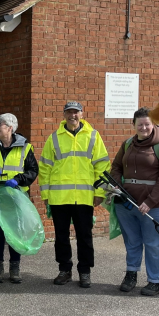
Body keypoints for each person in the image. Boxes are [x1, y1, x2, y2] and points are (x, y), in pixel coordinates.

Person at [39, 101, 110, 288]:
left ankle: (85, 272)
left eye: (76, 112)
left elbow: (102, 166)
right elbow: (45, 167)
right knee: (61, 237)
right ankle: (65, 270)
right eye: (69, 113)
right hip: (59, 198)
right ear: (64, 115)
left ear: (82, 114)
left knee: (84, 236)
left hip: (84, 197)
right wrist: (45, 194)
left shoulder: (93, 136)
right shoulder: (54, 138)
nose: (73, 116)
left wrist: (100, 192)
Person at [109, 107, 159, 296]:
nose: (144, 128)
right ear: (134, 125)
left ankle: (155, 281)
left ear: (153, 124)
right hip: (127, 203)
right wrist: (117, 186)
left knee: (154, 244)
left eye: (147, 124)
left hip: (154, 206)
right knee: (132, 241)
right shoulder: (128, 144)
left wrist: (151, 200)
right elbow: (116, 167)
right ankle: (131, 274)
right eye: (140, 124)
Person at [0, 113, 38, 283]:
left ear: (10, 128)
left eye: (0, 125)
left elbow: (33, 171)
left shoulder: (26, 148)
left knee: (15, 232)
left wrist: (18, 180)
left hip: (16, 197)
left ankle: (15, 267)